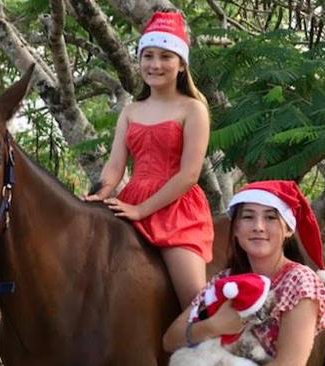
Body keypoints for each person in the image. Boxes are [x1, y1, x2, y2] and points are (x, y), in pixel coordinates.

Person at [84, 10, 213, 308]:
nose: (155, 64)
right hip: (131, 200)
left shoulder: (194, 110)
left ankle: (212, 349)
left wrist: (142, 210)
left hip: (177, 210)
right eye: (148, 56)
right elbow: (115, 166)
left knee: (196, 300)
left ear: (181, 64)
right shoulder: (130, 110)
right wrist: (101, 193)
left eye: (166, 56)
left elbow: (189, 175)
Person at [163, 180, 325, 365]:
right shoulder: (225, 279)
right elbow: (169, 340)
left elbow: (288, 363)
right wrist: (213, 326)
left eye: (270, 217)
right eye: (248, 217)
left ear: (288, 229)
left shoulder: (300, 282)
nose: (258, 227)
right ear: (236, 229)